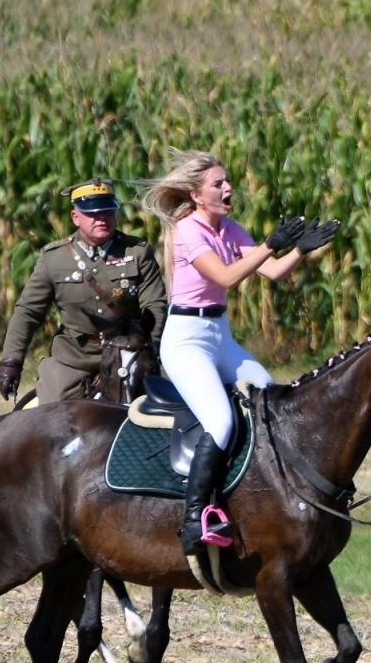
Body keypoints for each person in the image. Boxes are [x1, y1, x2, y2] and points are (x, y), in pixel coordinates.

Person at [139, 150, 340, 555]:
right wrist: (270, 244)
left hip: (219, 334)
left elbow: (273, 272)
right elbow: (227, 277)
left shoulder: (230, 228)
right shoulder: (189, 231)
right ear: (197, 195)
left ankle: (258, 495)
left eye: (227, 181)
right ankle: (195, 519)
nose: (228, 188)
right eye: (219, 183)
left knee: (270, 399)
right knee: (220, 419)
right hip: (186, 339)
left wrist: (300, 249)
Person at [0, 179, 168, 404]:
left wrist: (149, 349)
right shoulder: (54, 259)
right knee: (51, 418)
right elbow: (28, 312)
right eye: (93, 214)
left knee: (158, 414)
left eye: (108, 212)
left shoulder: (137, 252)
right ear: (75, 217)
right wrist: (11, 363)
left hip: (127, 354)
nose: (102, 219)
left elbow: (155, 306)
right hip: (74, 358)